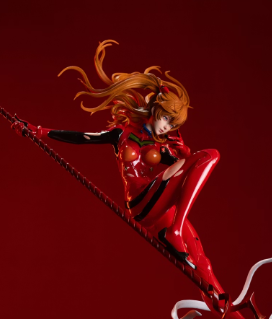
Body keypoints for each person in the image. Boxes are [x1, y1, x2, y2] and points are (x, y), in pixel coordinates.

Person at [12, 40, 223, 298]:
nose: (167, 127)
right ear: (155, 109)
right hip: (140, 201)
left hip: (159, 205)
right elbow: (83, 137)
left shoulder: (161, 145)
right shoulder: (121, 133)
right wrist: (38, 131)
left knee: (202, 262)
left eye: (172, 124)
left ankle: (226, 309)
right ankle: (175, 230)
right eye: (166, 118)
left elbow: (186, 173)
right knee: (211, 155)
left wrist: (184, 153)